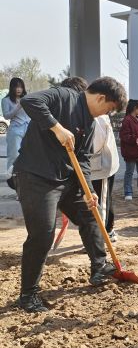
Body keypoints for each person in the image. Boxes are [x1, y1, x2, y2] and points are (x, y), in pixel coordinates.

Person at [12, 77, 128, 312]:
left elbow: (83, 158)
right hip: (36, 178)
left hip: (66, 181)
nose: (109, 113)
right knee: (43, 235)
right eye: (110, 108)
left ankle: (99, 267)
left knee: (91, 214)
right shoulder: (63, 96)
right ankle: (28, 295)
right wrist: (57, 127)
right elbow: (30, 101)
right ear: (101, 98)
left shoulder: (91, 122)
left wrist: (87, 189)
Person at [90, 114, 120, 243]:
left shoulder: (98, 117)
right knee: (105, 199)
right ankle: (108, 230)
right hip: (95, 165)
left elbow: (95, 144)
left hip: (100, 166)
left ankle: (98, 239)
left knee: (100, 202)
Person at [2, 78, 30, 185]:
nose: (19, 89)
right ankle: (15, 185)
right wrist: (18, 107)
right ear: (12, 88)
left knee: (28, 158)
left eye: (21, 86)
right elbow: (6, 115)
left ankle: (25, 187)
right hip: (15, 130)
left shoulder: (26, 98)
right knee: (14, 158)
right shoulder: (6, 100)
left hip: (28, 130)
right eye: (16, 86)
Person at [119, 99, 138, 201]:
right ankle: (128, 192)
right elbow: (124, 136)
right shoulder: (127, 120)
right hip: (130, 152)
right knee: (129, 172)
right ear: (135, 108)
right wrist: (135, 139)